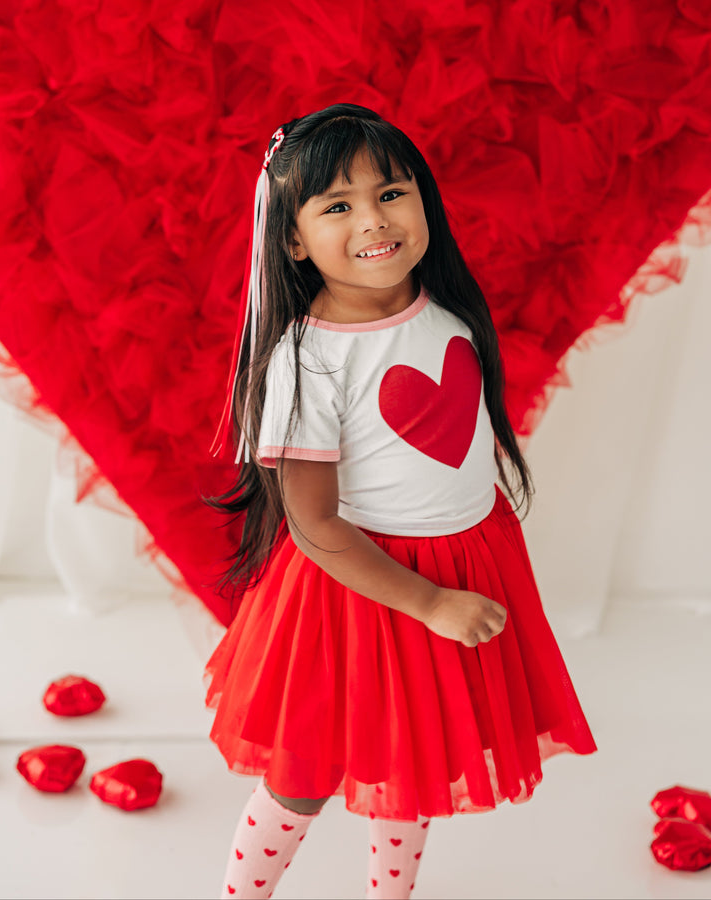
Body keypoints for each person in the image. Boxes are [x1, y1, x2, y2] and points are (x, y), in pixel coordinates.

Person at [202, 103, 598, 900]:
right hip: (356, 588)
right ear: (292, 239)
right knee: (303, 775)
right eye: (337, 206)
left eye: (392, 192)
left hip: (460, 561)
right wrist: (429, 601)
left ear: (423, 198)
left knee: (412, 766)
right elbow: (313, 523)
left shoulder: (446, 313)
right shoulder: (307, 362)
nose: (373, 220)